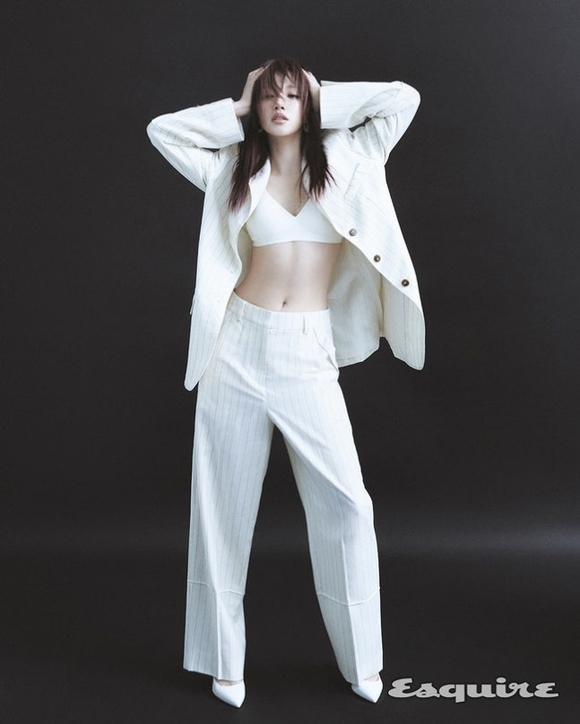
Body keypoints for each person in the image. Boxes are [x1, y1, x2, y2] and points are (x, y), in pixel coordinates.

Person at [147, 57, 424, 708]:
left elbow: (402, 98)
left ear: (309, 105)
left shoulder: (353, 158)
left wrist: (319, 95)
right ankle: (224, 663)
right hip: (237, 347)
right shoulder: (229, 170)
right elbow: (164, 130)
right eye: (268, 94)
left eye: (290, 95)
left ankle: (362, 661)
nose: (278, 103)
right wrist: (240, 106)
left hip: (307, 350)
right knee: (220, 507)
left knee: (348, 504)